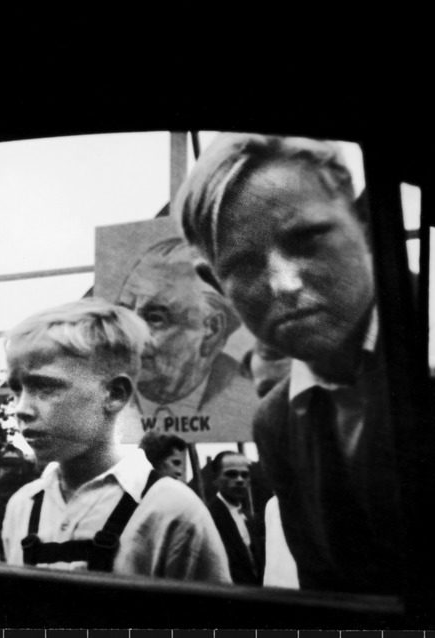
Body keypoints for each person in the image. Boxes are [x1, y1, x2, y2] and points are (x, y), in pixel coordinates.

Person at [176, 133, 402, 593]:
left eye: (306, 239)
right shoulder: (275, 422)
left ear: (363, 221)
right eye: (243, 265)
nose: (283, 283)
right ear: (216, 285)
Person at [0, 298, 230, 581]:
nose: (22, 409)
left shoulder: (171, 509)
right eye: (16, 390)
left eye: (45, 387)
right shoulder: (22, 506)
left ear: (115, 394)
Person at [115, 236, 256, 440]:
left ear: (212, 330)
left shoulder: (248, 399)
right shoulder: (103, 401)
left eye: (155, 318)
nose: (129, 335)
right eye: (125, 314)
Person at [207, 451, 265, 585]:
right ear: (215, 479)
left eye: (245, 475)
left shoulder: (250, 519)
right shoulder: (209, 516)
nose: (240, 480)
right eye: (231, 474)